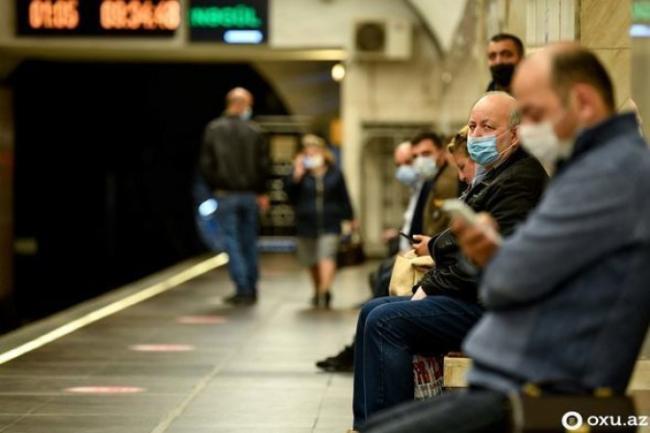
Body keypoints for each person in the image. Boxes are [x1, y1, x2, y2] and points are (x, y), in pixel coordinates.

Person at [362, 44, 650, 433]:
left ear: (581, 102)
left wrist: (490, 257)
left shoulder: (607, 176)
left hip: (538, 394)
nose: (526, 130)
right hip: (512, 379)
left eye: (533, 114)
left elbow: (509, 284)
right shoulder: (589, 169)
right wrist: (493, 255)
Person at [351, 92, 548, 431]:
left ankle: (386, 427)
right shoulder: (494, 173)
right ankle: (365, 425)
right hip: (471, 294)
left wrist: (430, 284)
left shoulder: (520, 180)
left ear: (515, 134)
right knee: (371, 311)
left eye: (488, 127)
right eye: (472, 126)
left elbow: (493, 261)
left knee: (386, 321)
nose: (476, 135)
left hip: (493, 309)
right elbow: (458, 243)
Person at [199, 87, 270, 306]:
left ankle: (242, 287)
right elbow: (263, 164)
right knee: (250, 241)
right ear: (242, 104)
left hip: (226, 194)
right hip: (250, 195)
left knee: (232, 241)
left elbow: (206, 165)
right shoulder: (255, 131)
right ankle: (251, 284)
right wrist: (262, 192)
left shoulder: (213, 129)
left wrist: (216, 185)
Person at [284, 134, 354, 308]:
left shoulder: (334, 173)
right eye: (308, 151)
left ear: (323, 152)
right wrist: (297, 176)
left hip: (330, 221)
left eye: (315, 150)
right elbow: (289, 197)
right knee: (312, 260)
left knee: (327, 255)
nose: (311, 153)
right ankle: (318, 289)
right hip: (305, 223)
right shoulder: (299, 174)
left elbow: (344, 197)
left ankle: (324, 290)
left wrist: (351, 217)